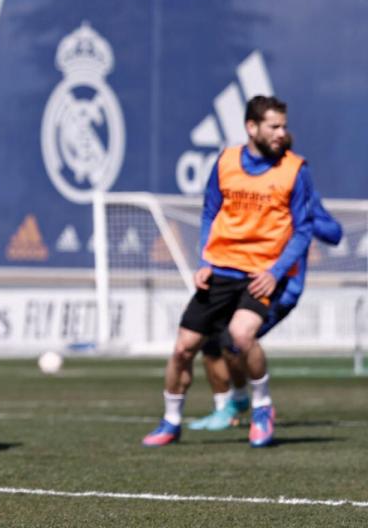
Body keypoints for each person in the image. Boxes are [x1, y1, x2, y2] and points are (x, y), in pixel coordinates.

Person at [142, 95, 311, 448]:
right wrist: (205, 261)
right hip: (220, 270)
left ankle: (262, 406)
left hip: (260, 274)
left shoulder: (295, 169)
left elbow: (303, 230)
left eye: (284, 126)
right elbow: (209, 212)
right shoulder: (226, 162)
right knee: (183, 349)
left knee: (241, 335)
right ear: (252, 128)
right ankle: (171, 420)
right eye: (274, 126)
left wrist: (277, 271)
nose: (282, 132)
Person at [189, 134, 342, 431]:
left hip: (283, 286)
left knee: (233, 340)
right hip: (245, 280)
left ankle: (249, 403)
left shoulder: (297, 186)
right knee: (209, 341)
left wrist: (304, 220)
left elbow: (333, 233)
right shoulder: (250, 186)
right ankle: (228, 406)